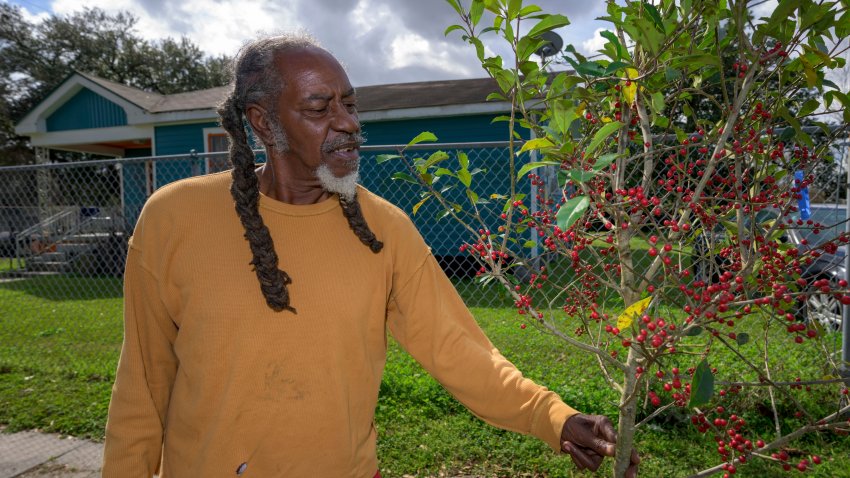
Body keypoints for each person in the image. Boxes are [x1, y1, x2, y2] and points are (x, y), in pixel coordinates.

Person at [101, 33, 639, 478]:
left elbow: (459, 351)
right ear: (263, 123)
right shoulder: (174, 219)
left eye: (350, 104)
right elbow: (142, 388)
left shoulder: (385, 230)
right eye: (320, 108)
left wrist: (555, 417)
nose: (349, 122)